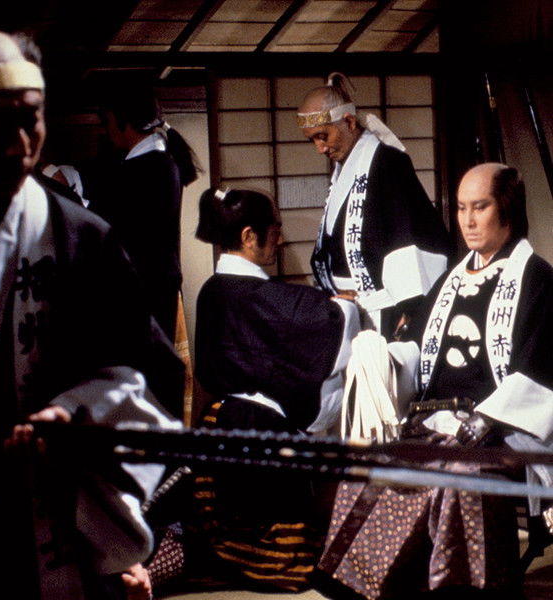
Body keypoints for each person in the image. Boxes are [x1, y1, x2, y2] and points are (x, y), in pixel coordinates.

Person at [0, 28, 185, 599]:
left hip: (55, 519)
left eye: (30, 119)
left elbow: (152, 376)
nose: (19, 144)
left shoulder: (79, 238)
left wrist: (79, 414)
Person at [315, 163, 553, 599]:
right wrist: (382, 359)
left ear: (507, 208)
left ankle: (464, 589)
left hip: (502, 431)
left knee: (457, 473)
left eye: (480, 207)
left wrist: (487, 419)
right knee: (378, 461)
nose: (468, 220)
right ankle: (375, 585)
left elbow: (542, 369)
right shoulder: (450, 280)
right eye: (461, 208)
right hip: (435, 421)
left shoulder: (538, 279)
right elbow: (416, 348)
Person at [187, 187, 361, 592]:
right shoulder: (256, 295)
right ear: (249, 236)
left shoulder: (213, 289)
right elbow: (328, 321)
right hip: (257, 425)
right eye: (275, 229)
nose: (279, 239)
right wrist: (345, 305)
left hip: (217, 425)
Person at [298, 72, 452, 339]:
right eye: (312, 140)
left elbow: (407, 237)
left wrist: (409, 310)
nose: (319, 148)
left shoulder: (387, 163)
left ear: (349, 121)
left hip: (385, 310)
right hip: (346, 309)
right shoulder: (343, 169)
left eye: (323, 136)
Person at [82, 80, 200, 345]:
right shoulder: (155, 162)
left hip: (144, 288)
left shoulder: (147, 168)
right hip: (153, 285)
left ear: (124, 121)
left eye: (108, 120)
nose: (107, 129)